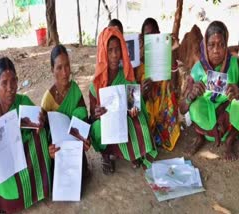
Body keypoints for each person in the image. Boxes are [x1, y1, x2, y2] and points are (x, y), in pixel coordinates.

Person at [0, 57, 51, 213]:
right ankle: (1, 201)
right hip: (4, 164)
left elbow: (42, 127)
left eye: (14, 81)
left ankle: (35, 189)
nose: (10, 88)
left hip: (23, 159)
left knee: (41, 135)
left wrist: (41, 121)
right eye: (4, 83)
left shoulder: (24, 102)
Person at [89, 27, 157, 175]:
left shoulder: (127, 76)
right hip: (106, 128)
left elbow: (134, 106)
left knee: (138, 120)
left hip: (122, 122)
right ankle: (106, 154)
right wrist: (96, 114)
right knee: (97, 128)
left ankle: (130, 152)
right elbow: (90, 118)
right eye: (110, 50)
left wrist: (133, 110)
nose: (114, 55)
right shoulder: (95, 84)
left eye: (117, 50)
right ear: (103, 52)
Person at [179, 21, 239, 161]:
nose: (216, 50)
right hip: (207, 111)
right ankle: (200, 137)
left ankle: (230, 140)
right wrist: (190, 96)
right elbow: (182, 109)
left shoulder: (235, 64)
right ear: (205, 46)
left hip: (229, 112)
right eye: (211, 45)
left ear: (226, 45)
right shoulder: (198, 68)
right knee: (195, 106)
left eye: (221, 45)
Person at [41, 44, 90, 181]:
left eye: (67, 66)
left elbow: (84, 120)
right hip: (57, 152)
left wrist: (86, 138)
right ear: (52, 70)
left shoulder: (74, 90)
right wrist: (48, 150)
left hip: (75, 147)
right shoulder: (48, 99)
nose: (65, 72)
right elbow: (42, 134)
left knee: (80, 181)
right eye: (59, 67)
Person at [135, 17, 180, 150]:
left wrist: (171, 51)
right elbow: (132, 96)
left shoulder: (165, 57)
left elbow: (175, 84)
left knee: (169, 90)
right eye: (148, 36)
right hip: (146, 104)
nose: (152, 39)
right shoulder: (137, 63)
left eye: (155, 34)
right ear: (142, 38)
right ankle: (148, 133)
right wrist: (142, 92)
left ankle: (161, 133)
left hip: (162, 109)